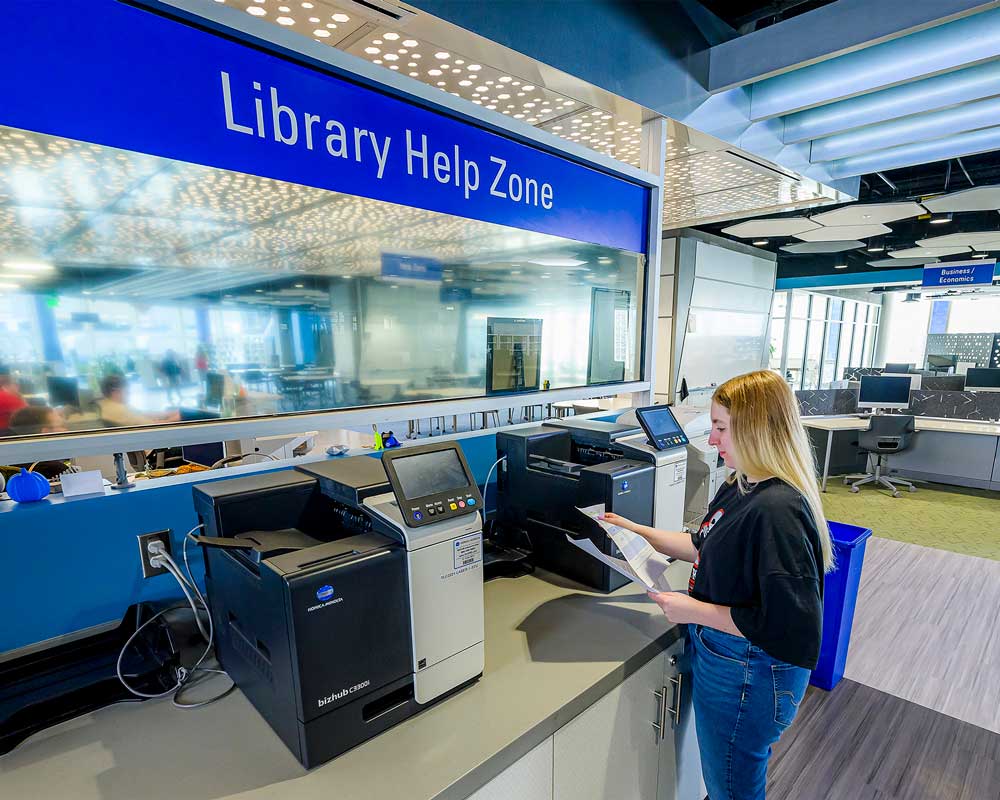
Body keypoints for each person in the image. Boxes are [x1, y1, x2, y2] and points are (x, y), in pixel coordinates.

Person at [602, 370, 833, 800]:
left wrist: (690, 609)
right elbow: (702, 544)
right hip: (726, 657)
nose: (711, 441)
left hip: (750, 673)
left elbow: (789, 629)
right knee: (725, 779)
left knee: (732, 788)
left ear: (757, 428)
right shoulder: (742, 483)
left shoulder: (778, 510)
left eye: (721, 428)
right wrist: (636, 530)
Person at [3, 405, 78, 481]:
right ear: (45, 432)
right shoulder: (54, 469)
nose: (66, 430)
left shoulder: (11, 466)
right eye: (62, 426)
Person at [97, 374, 179, 427]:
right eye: (127, 391)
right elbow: (152, 426)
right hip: (153, 446)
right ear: (115, 392)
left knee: (171, 411)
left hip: (144, 440)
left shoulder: (108, 405)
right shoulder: (121, 410)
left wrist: (168, 414)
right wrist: (173, 419)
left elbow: (141, 413)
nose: (129, 394)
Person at [0, 365, 27, 431]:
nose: (18, 388)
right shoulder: (7, 398)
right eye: (16, 384)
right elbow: (29, 415)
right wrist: (20, 396)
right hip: (7, 433)